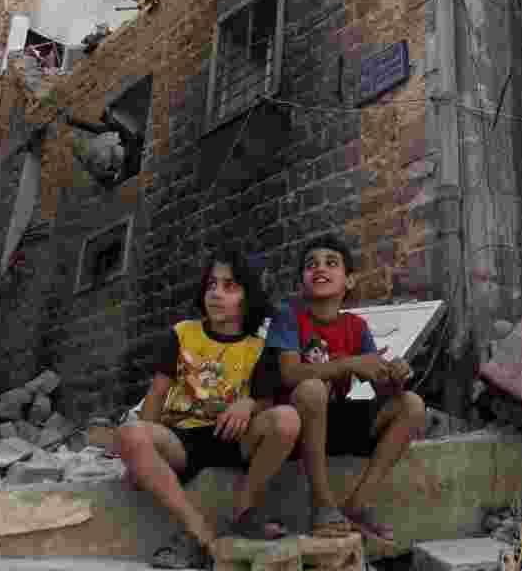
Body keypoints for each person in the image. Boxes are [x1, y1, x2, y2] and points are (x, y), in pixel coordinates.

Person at [117, 244, 299, 570]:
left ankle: (244, 510)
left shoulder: (259, 347)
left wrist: (247, 404)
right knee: (130, 433)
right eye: (212, 285)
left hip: (233, 437)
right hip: (182, 439)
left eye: (229, 286)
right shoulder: (182, 334)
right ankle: (201, 534)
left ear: (247, 296)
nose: (216, 293)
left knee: (287, 419)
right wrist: (139, 458)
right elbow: (157, 394)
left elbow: (266, 403)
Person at [265, 234, 427, 542]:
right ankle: (322, 505)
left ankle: (358, 505)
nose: (320, 268)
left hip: (335, 423)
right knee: (312, 390)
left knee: (411, 404)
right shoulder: (288, 316)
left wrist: (395, 376)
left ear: (349, 280)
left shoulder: (356, 327)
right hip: (294, 429)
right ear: (301, 282)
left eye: (331, 263)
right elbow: (289, 374)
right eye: (311, 264)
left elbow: (381, 389)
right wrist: (349, 364)